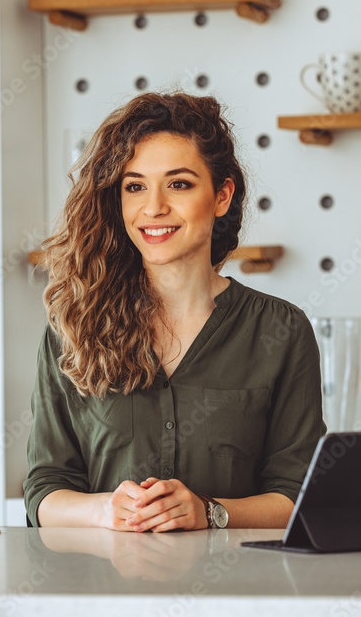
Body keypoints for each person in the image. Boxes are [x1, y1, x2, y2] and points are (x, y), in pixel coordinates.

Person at [23, 92, 325, 532]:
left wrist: (209, 512)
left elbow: (297, 494)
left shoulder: (280, 330)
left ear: (221, 196)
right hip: (105, 595)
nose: (153, 207)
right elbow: (45, 488)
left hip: (237, 594)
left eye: (179, 184)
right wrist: (104, 510)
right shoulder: (72, 327)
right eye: (135, 186)